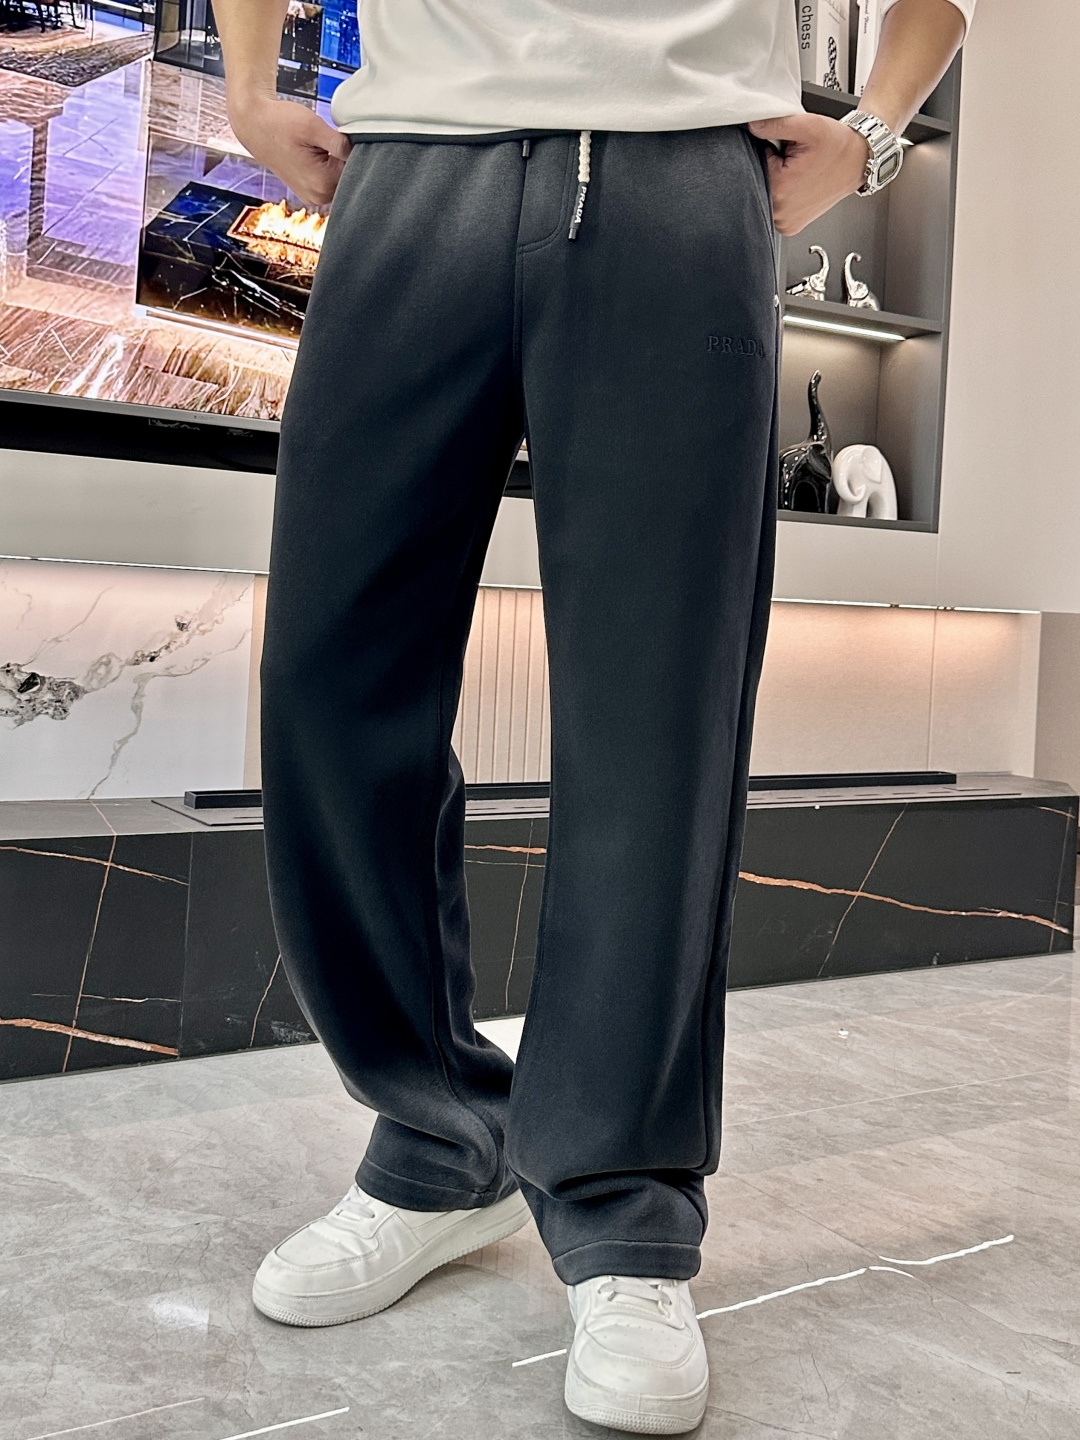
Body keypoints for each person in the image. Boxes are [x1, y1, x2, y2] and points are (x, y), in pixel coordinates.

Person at [212, 0, 974, 1431]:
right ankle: (438, 1137)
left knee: (655, 716)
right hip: (413, 166)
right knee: (329, 673)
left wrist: (873, 135)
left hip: (680, 177)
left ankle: (623, 1207)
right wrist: (252, 88)